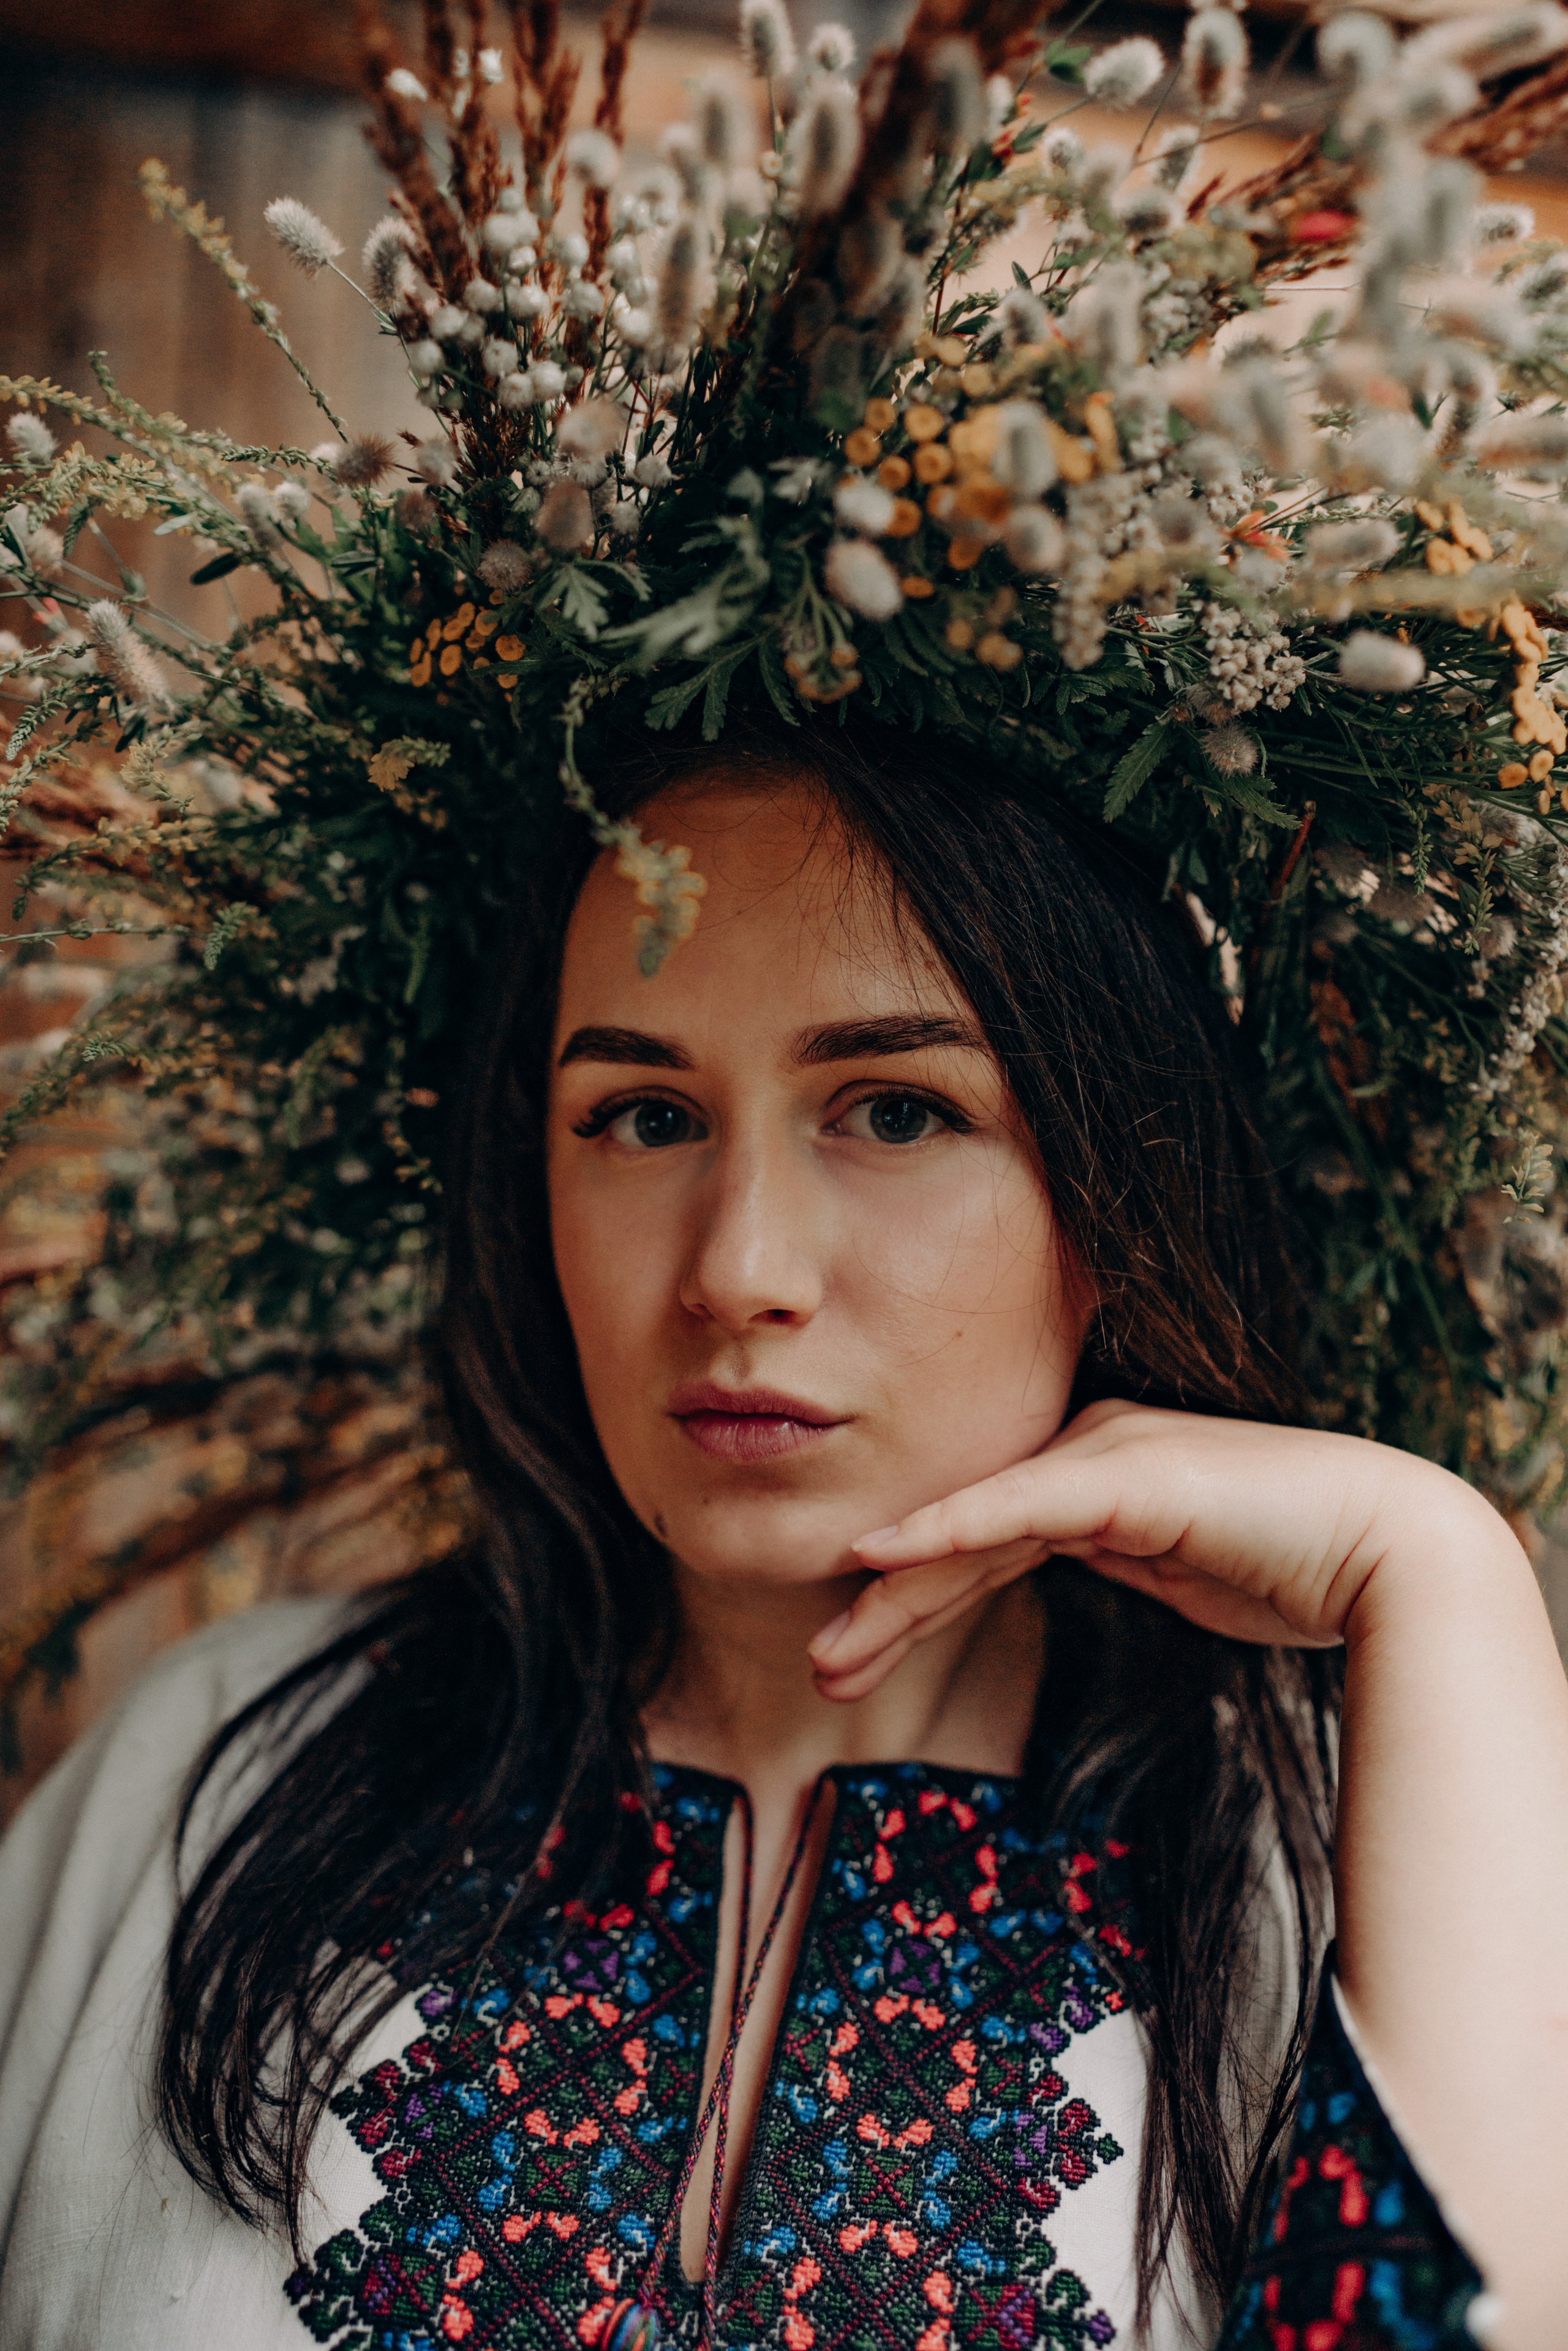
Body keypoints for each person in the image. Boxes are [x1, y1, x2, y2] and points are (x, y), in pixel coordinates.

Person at [2, 726, 1566, 2351]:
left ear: (1116, 1188)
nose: (738, 1270)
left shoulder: (1355, 1842)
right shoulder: (210, 1777)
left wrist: (1435, 1567)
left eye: (894, 1110)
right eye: (643, 1116)